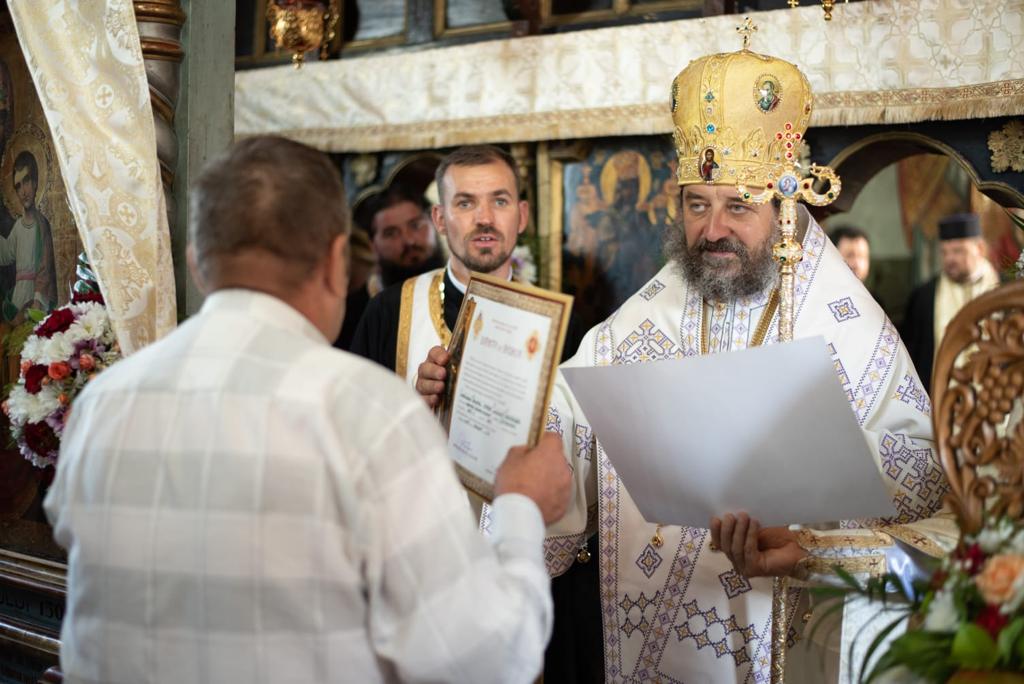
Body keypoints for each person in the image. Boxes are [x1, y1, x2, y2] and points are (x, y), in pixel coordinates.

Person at [416, 36, 953, 683]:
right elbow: (563, 418)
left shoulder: (841, 319)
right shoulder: (657, 306)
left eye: (737, 206)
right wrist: (475, 398)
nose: (713, 229)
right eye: (697, 204)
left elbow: (923, 481)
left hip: (787, 635)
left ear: (786, 209)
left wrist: (810, 538)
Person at [43, 135, 573, 683]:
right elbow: (487, 658)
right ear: (337, 262)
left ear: (198, 263)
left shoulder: (103, 404)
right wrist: (520, 507)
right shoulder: (364, 412)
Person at [350, 145, 528, 381]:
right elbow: (356, 412)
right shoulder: (387, 312)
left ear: (522, 216)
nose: (485, 219)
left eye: (500, 201)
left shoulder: (560, 326)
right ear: (440, 219)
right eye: (465, 203)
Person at [333, 185, 443, 350]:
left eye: (415, 225)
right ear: (372, 245)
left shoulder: (467, 292)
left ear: (435, 224)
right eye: (391, 233)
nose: (409, 241)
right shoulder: (351, 312)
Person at [902, 212, 999, 393]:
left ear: (979, 248)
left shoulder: (1003, 291)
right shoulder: (924, 296)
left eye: (958, 251)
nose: (949, 259)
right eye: (944, 252)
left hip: (993, 398)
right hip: (939, 401)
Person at [0, 150, 56, 320]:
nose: (23, 191)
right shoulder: (18, 226)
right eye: (18, 186)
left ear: (36, 182)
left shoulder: (42, 224)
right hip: (18, 295)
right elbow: (6, 254)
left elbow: (45, 267)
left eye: (26, 181)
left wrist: (37, 301)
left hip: (36, 295)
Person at [829, 224, 885, 308]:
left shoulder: (875, 305)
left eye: (862, 256)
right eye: (849, 255)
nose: (857, 264)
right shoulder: (819, 300)